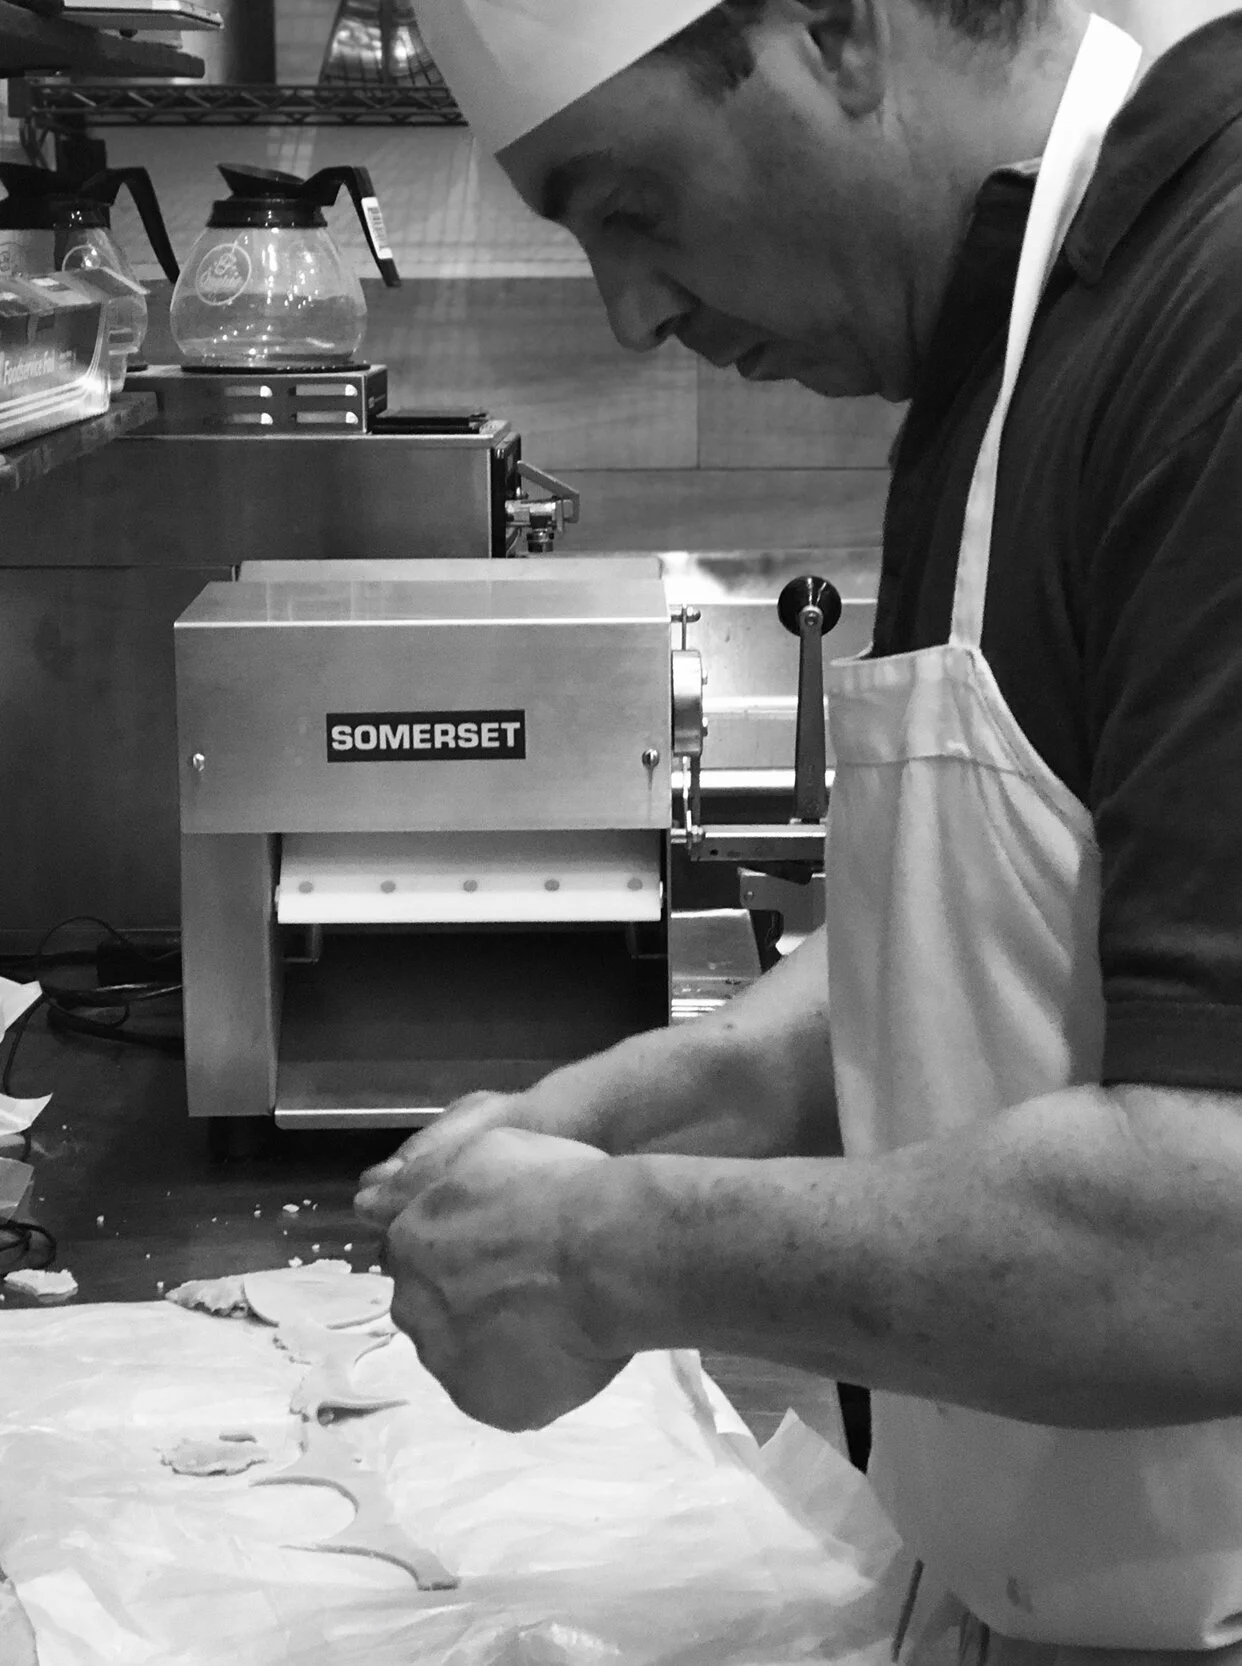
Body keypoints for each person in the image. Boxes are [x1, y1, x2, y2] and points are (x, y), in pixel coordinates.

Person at [355, 1, 1242, 1656]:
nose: (628, 313)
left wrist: (611, 1252)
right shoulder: (1003, 335)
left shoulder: (1212, 321)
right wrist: (673, 1090)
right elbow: (1018, 929)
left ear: (833, 31)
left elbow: (1214, 1228)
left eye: (627, 207)